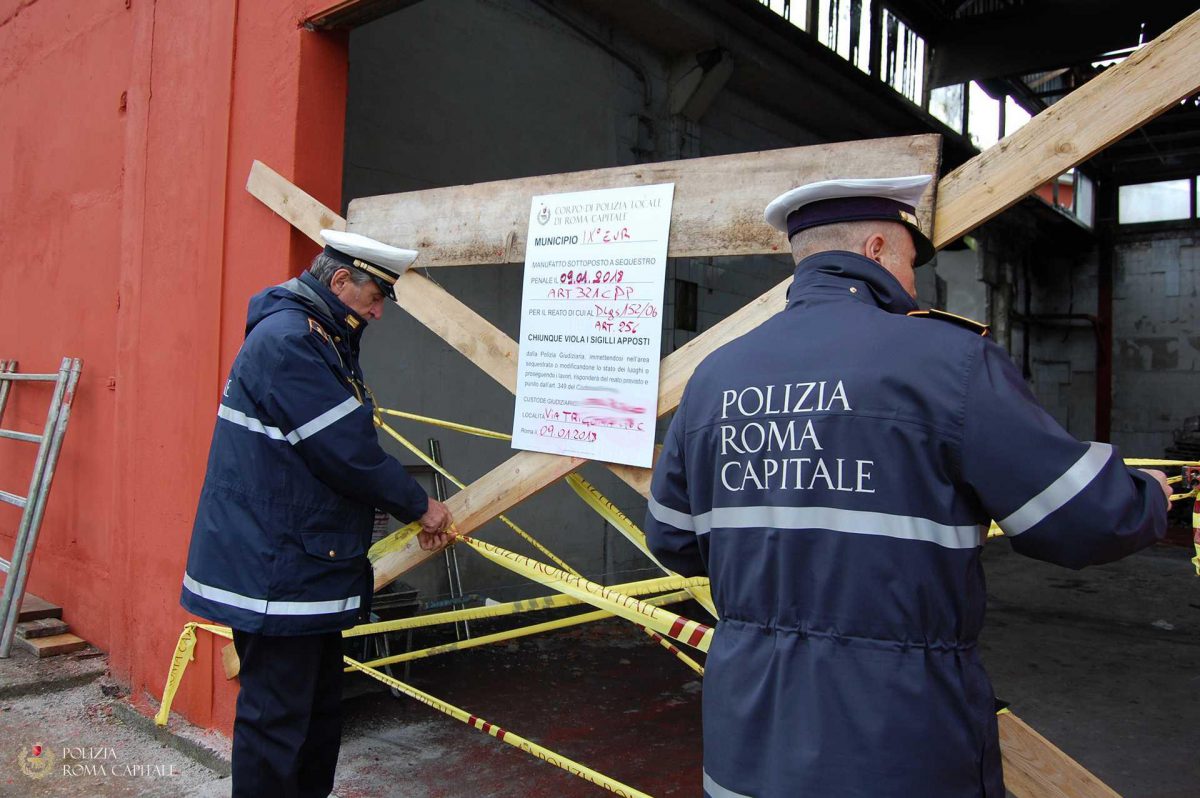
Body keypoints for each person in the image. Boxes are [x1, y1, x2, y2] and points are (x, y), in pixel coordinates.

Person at [644, 175, 1172, 798]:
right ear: (875, 250)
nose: (914, 285)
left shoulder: (715, 375)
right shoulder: (950, 362)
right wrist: (1150, 494)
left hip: (747, 739)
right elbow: (1081, 518)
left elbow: (674, 539)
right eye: (910, 263)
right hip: (898, 738)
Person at [180, 229, 454, 798]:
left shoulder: (317, 334)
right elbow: (346, 453)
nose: (378, 312)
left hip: (300, 567)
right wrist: (419, 506)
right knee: (278, 724)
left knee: (316, 716)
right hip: (277, 572)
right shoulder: (291, 341)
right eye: (375, 297)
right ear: (340, 280)